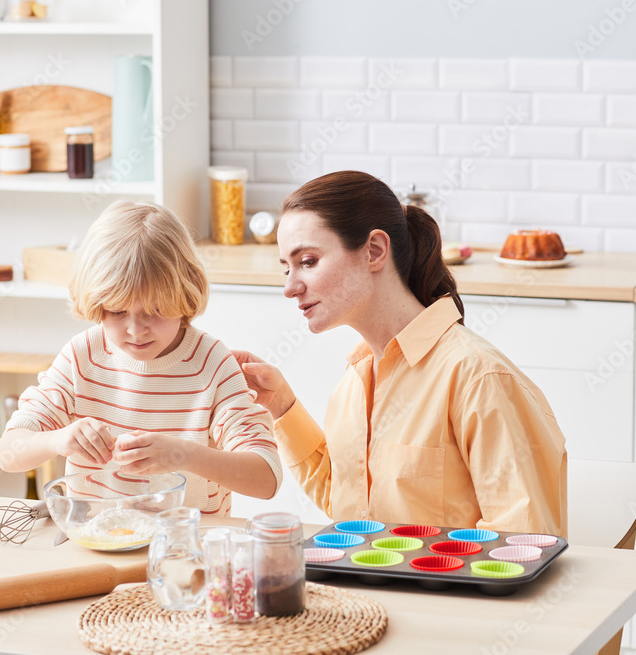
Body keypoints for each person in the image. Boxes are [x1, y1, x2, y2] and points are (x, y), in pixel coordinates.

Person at [235, 171, 567, 536]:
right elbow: (353, 506)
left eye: (308, 261)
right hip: (365, 586)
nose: (290, 287)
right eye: (286, 268)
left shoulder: (479, 378)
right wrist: (282, 405)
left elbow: (524, 542)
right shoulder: (352, 385)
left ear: (374, 251)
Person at [0, 201, 281, 515]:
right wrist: (58, 440)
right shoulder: (82, 357)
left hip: (185, 550)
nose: (135, 330)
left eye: (155, 312)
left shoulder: (211, 365)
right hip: (97, 542)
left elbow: (266, 478)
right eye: (117, 312)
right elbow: (8, 454)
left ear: (185, 296)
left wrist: (185, 455)